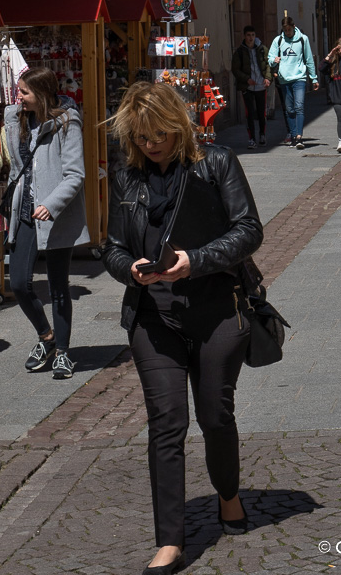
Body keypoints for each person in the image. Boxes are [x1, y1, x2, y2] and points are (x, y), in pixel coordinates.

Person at [103, 82, 263, 575]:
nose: (151, 145)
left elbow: (249, 229)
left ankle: (228, 494)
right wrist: (129, 268)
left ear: (177, 126)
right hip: (154, 316)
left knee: (214, 416)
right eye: (142, 136)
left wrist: (195, 261)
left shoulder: (216, 162)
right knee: (166, 423)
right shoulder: (127, 176)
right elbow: (110, 246)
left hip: (216, 308)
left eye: (159, 134)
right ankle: (170, 541)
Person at [5, 66, 88, 380]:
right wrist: (14, 116)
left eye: (24, 92)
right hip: (25, 212)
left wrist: (51, 204)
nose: (19, 97)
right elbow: (16, 163)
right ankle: (46, 337)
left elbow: (75, 174)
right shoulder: (22, 120)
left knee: (58, 286)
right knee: (18, 283)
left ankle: (64, 353)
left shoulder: (68, 122)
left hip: (56, 217)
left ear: (41, 93)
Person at [268, 16, 319, 150]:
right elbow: (270, 57)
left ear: (293, 26)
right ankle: (293, 135)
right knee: (289, 109)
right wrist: (274, 60)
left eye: (289, 29)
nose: (287, 32)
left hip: (299, 78)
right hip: (284, 79)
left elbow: (309, 59)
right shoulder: (278, 40)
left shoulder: (303, 39)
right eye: (285, 30)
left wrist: (313, 78)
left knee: (299, 106)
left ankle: (299, 137)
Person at [231, 25, 273, 150]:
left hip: (260, 86)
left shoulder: (262, 49)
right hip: (247, 87)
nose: (250, 38)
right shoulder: (239, 52)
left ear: (255, 36)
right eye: (248, 35)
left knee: (261, 113)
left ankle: (262, 135)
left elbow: (268, 65)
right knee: (249, 114)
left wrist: (267, 78)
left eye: (252, 35)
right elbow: (235, 69)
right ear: (244, 36)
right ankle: (252, 139)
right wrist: (246, 79)